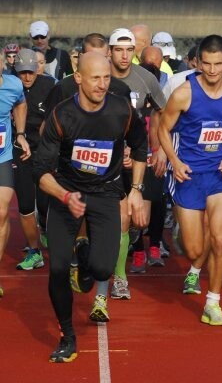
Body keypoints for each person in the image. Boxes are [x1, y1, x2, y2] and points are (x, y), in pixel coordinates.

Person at [34, 51, 147, 362]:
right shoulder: (61, 115)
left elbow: (140, 145)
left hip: (107, 195)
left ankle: (84, 255)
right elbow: (40, 172)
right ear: (79, 78)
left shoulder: (121, 110)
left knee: (101, 269)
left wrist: (135, 190)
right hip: (65, 195)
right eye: (95, 78)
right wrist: (65, 196)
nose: (102, 84)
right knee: (57, 269)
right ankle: (67, 336)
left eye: (107, 78)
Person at [159, 34, 222, 325]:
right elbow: (163, 128)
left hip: (220, 176)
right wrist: (174, 161)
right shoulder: (184, 93)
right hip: (189, 176)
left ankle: (213, 302)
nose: (212, 71)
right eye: (206, 64)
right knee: (195, 248)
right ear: (197, 62)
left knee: (220, 239)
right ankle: (193, 255)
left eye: (218, 64)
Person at [108, 28, 167, 300]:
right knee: (119, 219)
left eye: (129, 50)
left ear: (134, 52)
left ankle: (132, 238)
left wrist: (158, 148)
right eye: (118, 50)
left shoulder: (146, 79)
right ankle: (120, 278)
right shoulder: (100, 77)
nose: (123, 55)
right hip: (106, 159)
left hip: (138, 158)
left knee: (135, 221)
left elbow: (161, 113)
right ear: (109, 51)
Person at [13, 49, 56, 271]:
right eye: (22, 73)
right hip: (19, 151)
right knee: (26, 204)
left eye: (31, 72)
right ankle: (34, 251)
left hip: (46, 151)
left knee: (47, 202)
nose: (27, 77)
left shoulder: (49, 86)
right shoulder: (10, 86)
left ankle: (48, 230)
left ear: (38, 69)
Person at [0, 53, 30, 297]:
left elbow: (20, 103)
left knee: (1, 212)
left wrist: (20, 133)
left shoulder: (14, 84)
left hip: (3, 157)